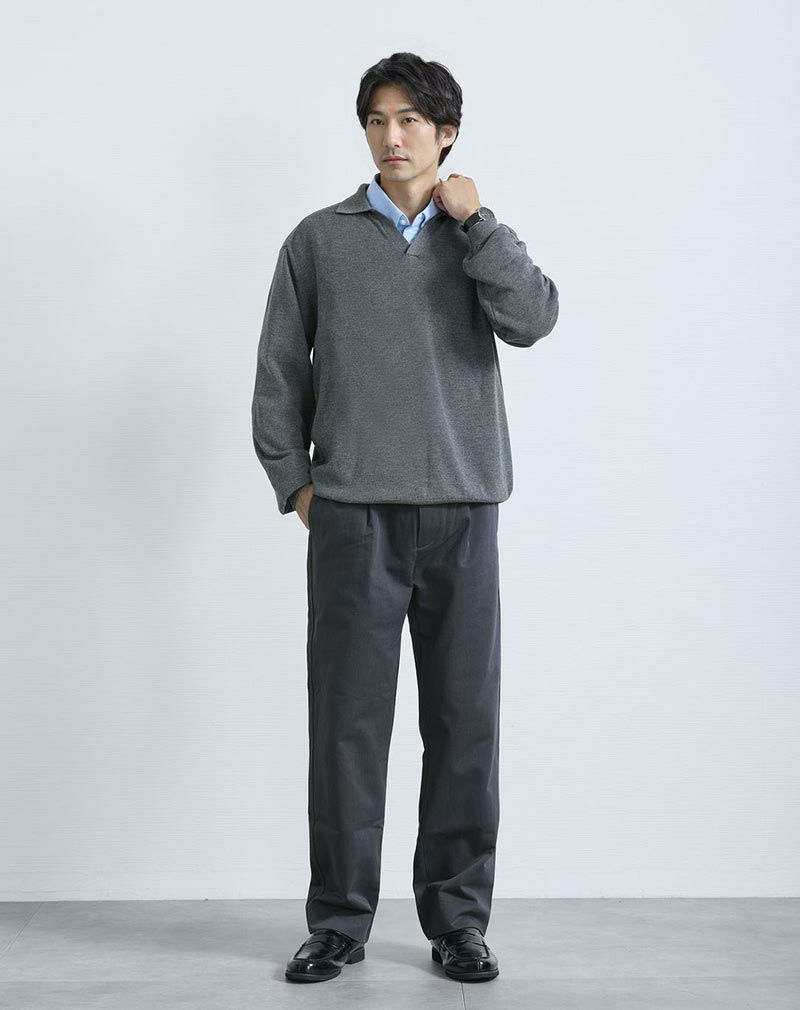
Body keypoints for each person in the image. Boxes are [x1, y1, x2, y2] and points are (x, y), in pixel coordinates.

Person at [251, 52, 559, 984]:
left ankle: (457, 921)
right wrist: (296, 485)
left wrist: (477, 221)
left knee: (464, 725)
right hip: (353, 517)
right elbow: (279, 371)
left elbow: (533, 319)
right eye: (378, 120)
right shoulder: (319, 239)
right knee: (347, 728)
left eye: (411, 121)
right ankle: (339, 921)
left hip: (463, 509)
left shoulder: (477, 237)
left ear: (446, 133)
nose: (392, 136)